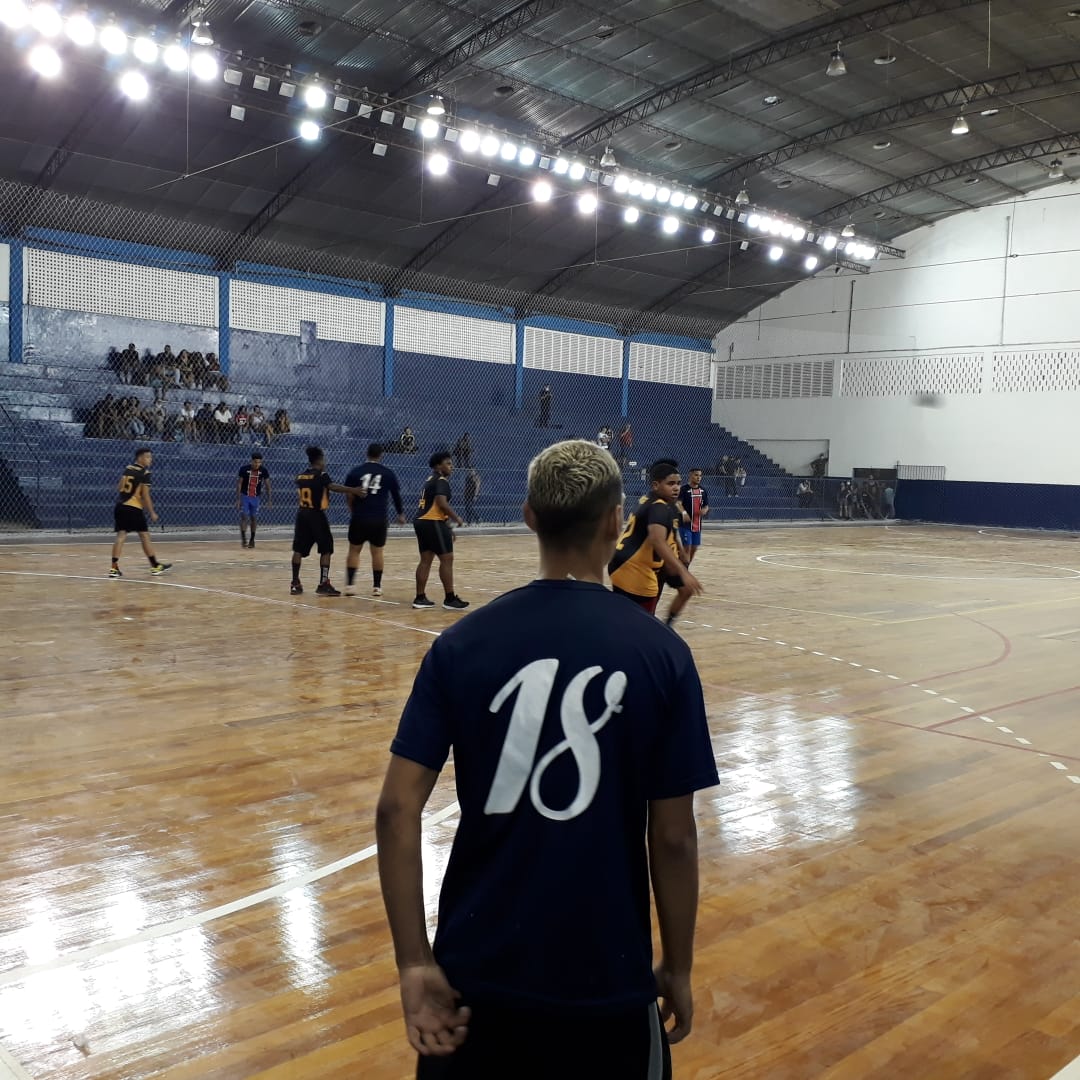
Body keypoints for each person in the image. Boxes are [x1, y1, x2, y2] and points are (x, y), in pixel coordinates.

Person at [376, 439, 719, 1078]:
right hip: (606, 973)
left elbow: (397, 810)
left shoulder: (460, 644)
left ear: (530, 515)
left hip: (475, 979)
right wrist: (677, 963)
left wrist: (415, 962)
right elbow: (673, 838)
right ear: (616, 521)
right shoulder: (663, 655)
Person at [609, 459, 702, 620]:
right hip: (636, 565)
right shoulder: (659, 506)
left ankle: (666, 626)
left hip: (645, 561)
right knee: (640, 616)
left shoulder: (664, 503)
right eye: (671, 483)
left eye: (678, 483)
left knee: (685, 590)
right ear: (656, 485)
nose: (676, 487)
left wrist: (680, 551)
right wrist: (682, 571)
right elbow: (657, 540)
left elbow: (671, 531)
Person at [290, 446, 366, 597]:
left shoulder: (301, 476)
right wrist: (353, 490)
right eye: (324, 459)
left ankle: (295, 583)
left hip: (302, 514)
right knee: (326, 548)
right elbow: (332, 487)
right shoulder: (322, 475)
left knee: (298, 549)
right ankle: (323, 583)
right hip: (316, 515)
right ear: (320, 461)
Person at [343, 443, 405, 597]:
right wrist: (400, 513)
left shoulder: (355, 472)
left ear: (367, 453)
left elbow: (349, 495)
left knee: (354, 550)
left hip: (360, 516)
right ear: (381, 455)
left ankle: (350, 586)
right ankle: (376, 587)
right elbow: (396, 496)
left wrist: (353, 510)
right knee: (377, 552)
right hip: (379, 518)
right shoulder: (388, 473)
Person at [412, 452, 468, 611]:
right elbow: (441, 503)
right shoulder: (441, 481)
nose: (452, 466)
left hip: (422, 521)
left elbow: (436, 506)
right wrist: (457, 518)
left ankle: (420, 598)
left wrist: (448, 527)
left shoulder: (430, 480)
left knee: (426, 559)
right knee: (447, 559)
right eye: (448, 463)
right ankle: (450, 599)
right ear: (438, 466)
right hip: (432, 522)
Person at [109, 447, 171, 579]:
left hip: (120, 506)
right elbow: (146, 496)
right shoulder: (145, 473)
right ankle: (155, 566)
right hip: (133, 508)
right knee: (144, 536)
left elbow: (119, 487)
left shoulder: (128, 469)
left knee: (121, 536)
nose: (150, 460)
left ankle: (114, 568)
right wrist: (152, 512)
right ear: (140, 458)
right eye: (148, 457)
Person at [236, 451, 272, 549]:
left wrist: (269, 499)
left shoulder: (263, 470)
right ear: (251, 461)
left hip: (256, 497)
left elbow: (268, 485)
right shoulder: (244, 469)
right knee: (244, 516)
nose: (257, 464)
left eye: (259, 462)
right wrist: (238, 499)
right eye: (255, 462)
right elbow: (239, 484)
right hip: (245, 496)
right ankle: (244, 538)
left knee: (254, 518)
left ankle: (252, 539)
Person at [678, 467, 710, 567]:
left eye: (700, 475)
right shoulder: (683, 489)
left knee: (694, 548)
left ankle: (685, 567)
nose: (698, 477)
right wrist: (684, 513)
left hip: (697, 525)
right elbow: (678, 503)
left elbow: (706, 505)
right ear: (690, 475)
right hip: (685, 525)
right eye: (696, 475)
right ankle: (682, 570)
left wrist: (705, 510)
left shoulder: (703, 490)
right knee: (687, 547)